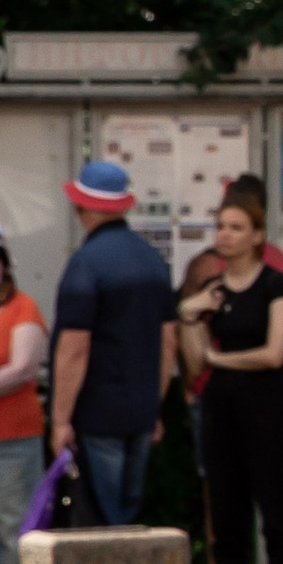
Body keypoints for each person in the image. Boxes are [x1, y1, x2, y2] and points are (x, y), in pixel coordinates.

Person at [184, 176, 283, 564]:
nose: (226, 235)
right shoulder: (214, 289)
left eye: (237, 228)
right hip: (223, 407)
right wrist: (189, 314)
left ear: (258, 236)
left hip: (271, 407)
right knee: (226, 511)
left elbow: (276, 352)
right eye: (221, 227)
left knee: (276, 512)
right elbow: (196, 359)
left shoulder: (275, 283)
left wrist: (221, 360)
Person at [49, 159, 176, 527]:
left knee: (101, 516)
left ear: (81, 207)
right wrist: (154, 406)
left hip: (97, 410)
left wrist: (60, 420)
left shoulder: (86, 264)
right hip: (141, 410)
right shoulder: (153, 261)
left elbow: (74, 348)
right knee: (129, 509)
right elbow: (168, 341)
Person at [0, 223, 48, 564]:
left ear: (5, 266)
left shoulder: (23, 307)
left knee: (13, 535)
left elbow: (23, 368)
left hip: (11, 440)